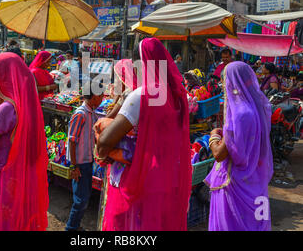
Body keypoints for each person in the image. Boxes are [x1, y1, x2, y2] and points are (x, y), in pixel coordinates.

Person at [96, 37, 192, 231]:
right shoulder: (177, 95)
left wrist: (102, 149)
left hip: (138, 181)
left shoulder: (143, 96)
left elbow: (105, 143)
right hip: (164, 177)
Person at [0, 52, 49, 231]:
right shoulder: (27, 105)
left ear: (4, 76)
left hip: (4, 180)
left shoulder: (6, 108)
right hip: (25, 180)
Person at [205, 61, 273, 231]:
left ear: (233, 83)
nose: (222, 85)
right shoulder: (259, 109)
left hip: (234, 184)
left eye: (224, 80)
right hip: (255, 180)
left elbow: (219, 154)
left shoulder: (239, 114)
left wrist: (213, 136)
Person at [65, 81, 104, 231]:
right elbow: (72, 141)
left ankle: (74, 226)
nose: (102, 99)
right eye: (101, 95)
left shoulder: (91, 113)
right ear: (95, 96)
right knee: (80, 200)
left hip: (87, 162)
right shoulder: (80, 114)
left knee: (84, 198)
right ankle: (71, 228)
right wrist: (74, 166)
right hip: (80, 164)